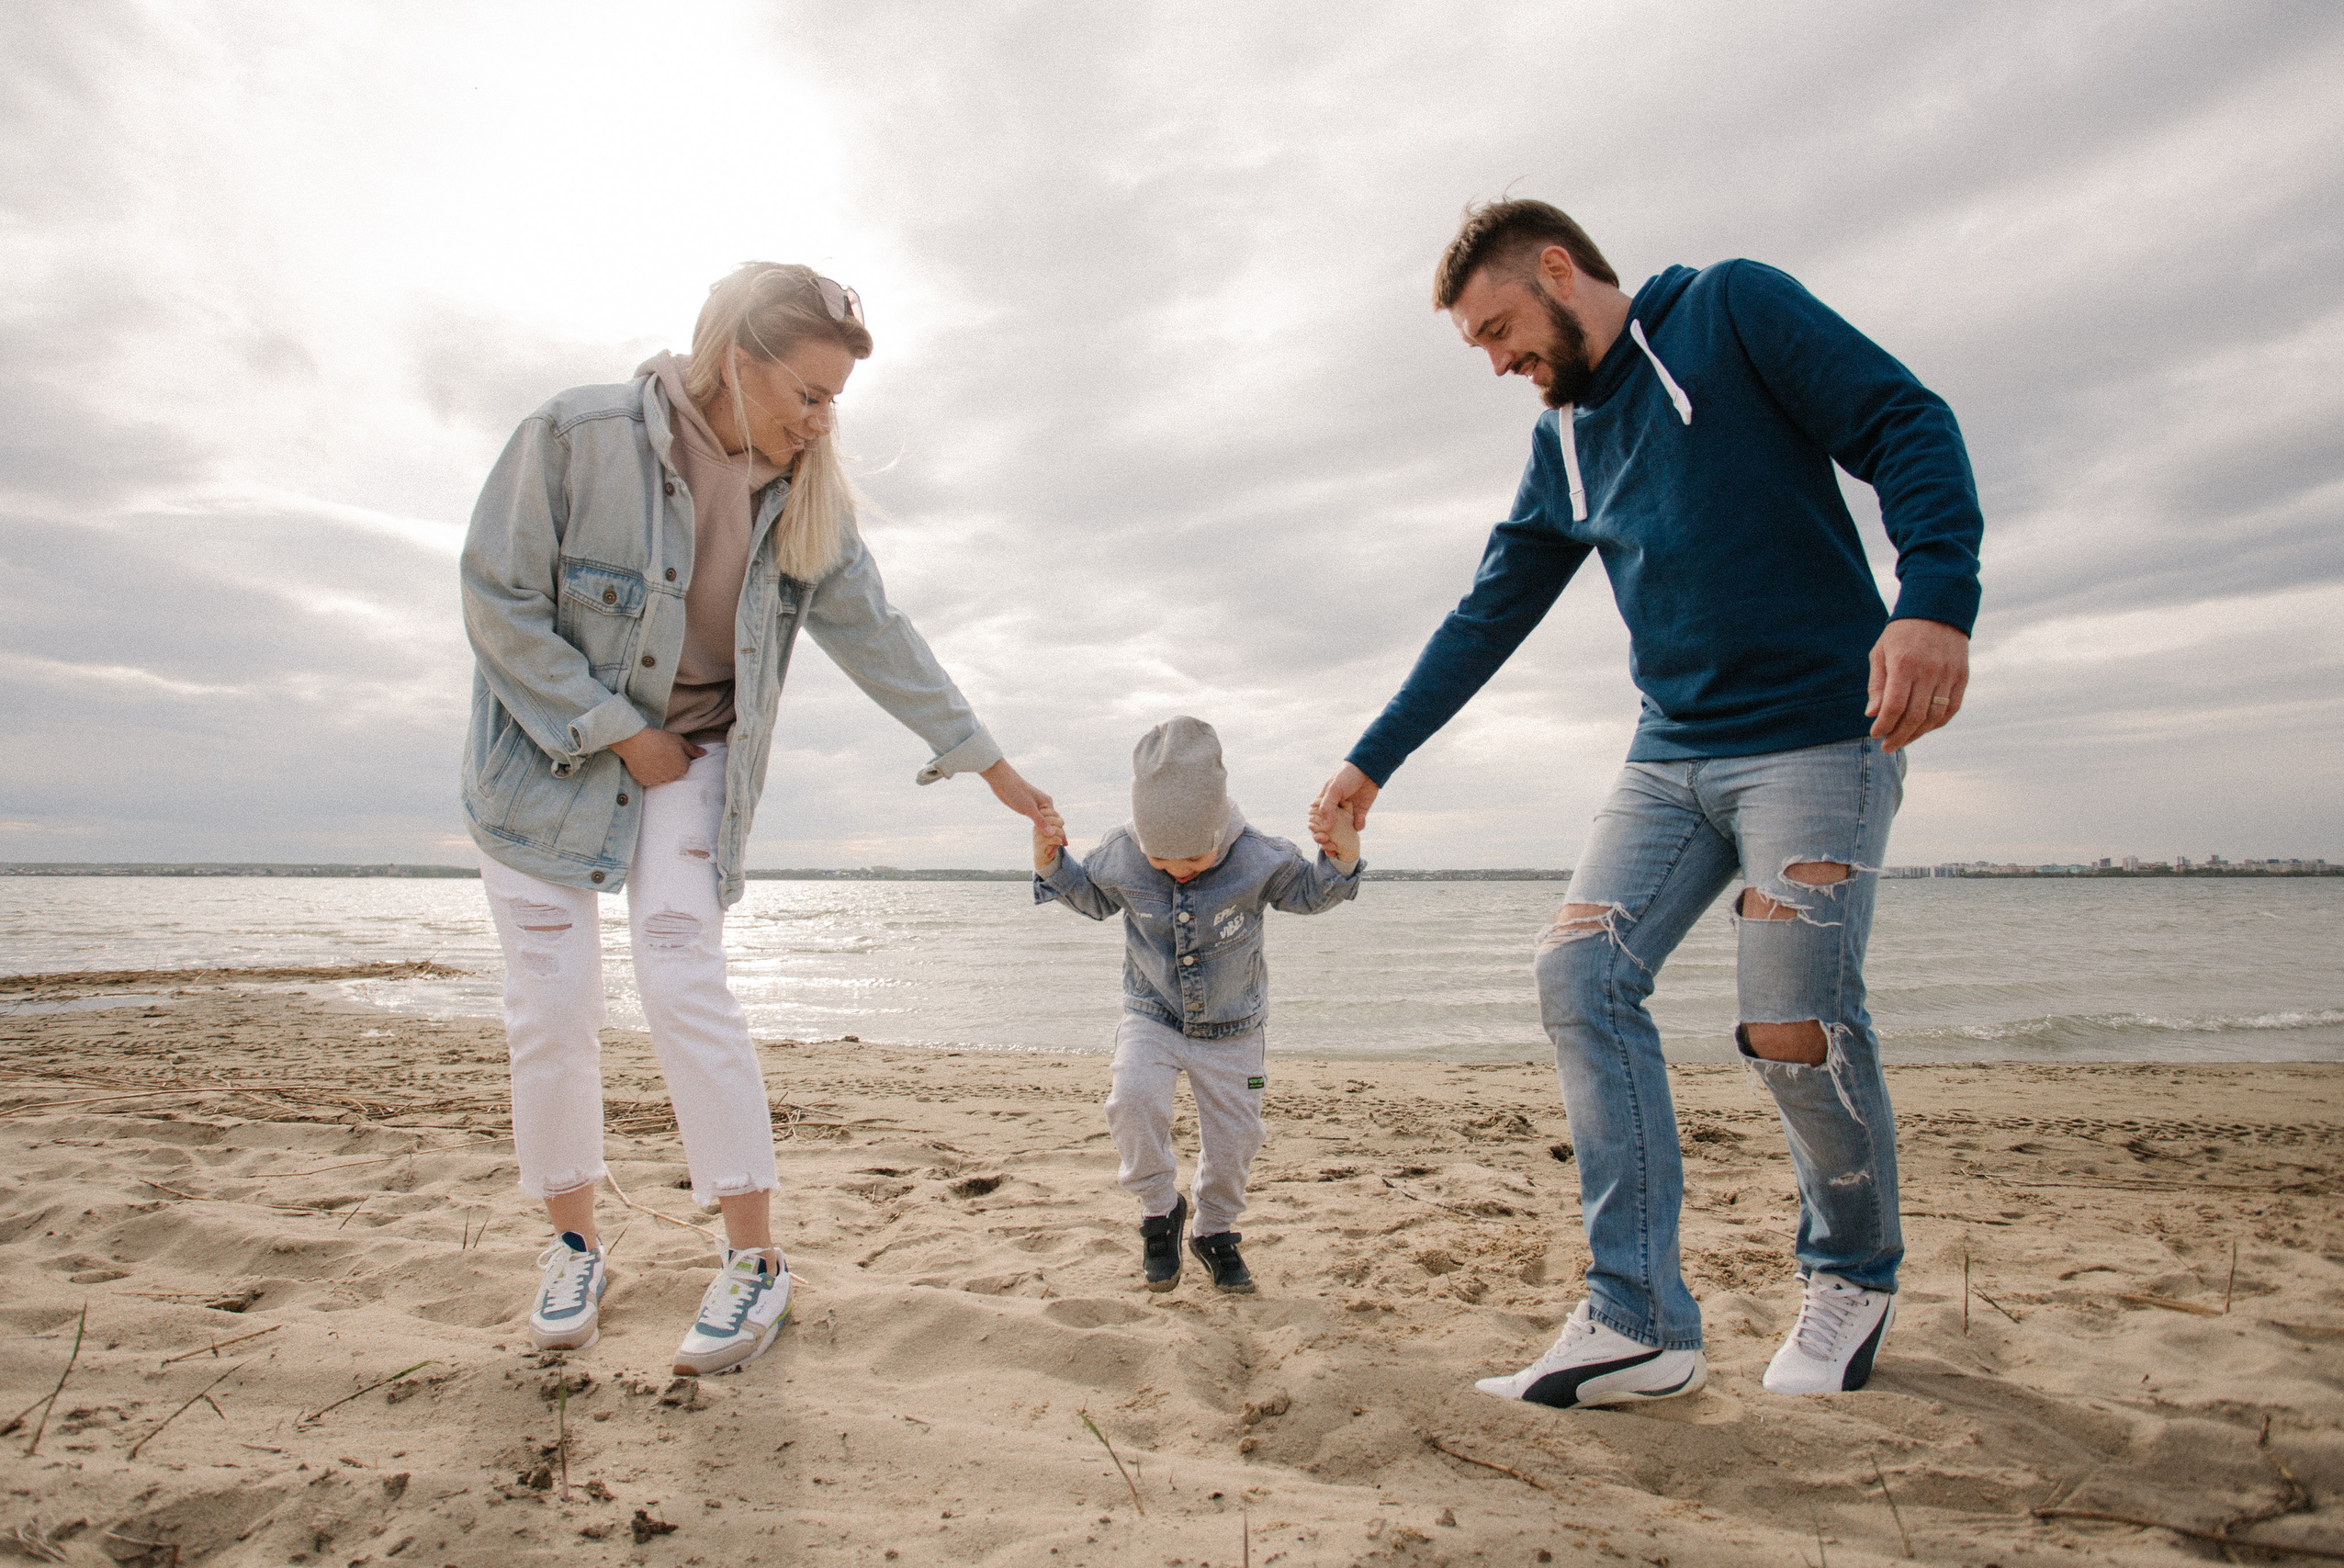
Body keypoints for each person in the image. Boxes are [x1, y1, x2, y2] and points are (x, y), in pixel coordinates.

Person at [1314, 200, 1983, 1404]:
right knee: (1579, 973)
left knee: (1794, 1025)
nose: (1500, 360)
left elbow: (1906, 421)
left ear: (1560, 270)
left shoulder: (1729, 309)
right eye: (1480, 347)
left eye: (1501, 328)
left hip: (1822, 736)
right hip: (1670, 753)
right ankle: (1639, 1319)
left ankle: (1851, 1272)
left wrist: (1933, 593)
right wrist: (1373, 760)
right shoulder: (1561, 442)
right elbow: (1486, 614)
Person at [459, 263, 1054, 1376]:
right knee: (550, 1006)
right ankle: (575, 1243)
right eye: (812, 395)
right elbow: (495, 599)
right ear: (737, 360)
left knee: (681, 970)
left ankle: (754, 1264)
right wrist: (606, 725)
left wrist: (991, 768)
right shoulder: (572, 433)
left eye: (836, 401)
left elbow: (880, 633)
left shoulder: (801, 495)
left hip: (693, 752)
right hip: (545, 761)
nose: (823, 421)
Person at [1032, 716, 1363, 1293]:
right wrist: (1049, 862)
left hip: (1235, 1026)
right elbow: (1089, 898)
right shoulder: (1120, 854)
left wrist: (1341, 856)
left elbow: (1311, 894)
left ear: (1221, 830)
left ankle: (1214, 1229)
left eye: (1196, 859)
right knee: (1130, 1099)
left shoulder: (1260, 857)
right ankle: (1160, 1210)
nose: (1179, 871)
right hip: (1151, 1013)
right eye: (1162, 862)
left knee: (1237, 1139)